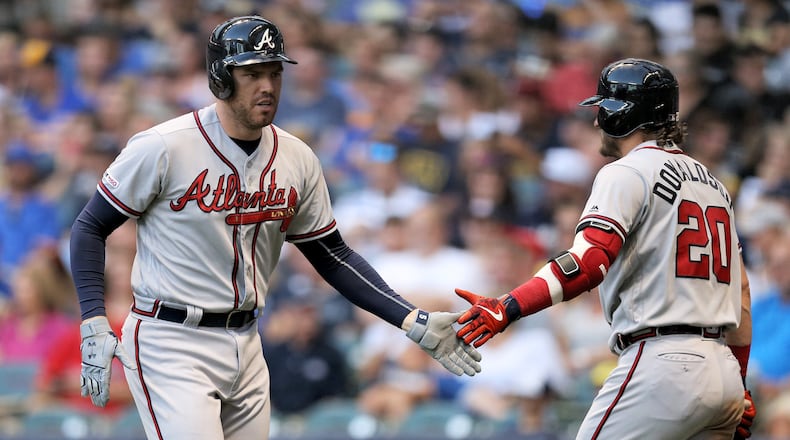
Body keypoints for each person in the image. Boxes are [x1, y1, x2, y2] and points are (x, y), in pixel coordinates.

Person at [68, 15, 480, 440]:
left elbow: (332, 255)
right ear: (221, 78)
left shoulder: (297, 157)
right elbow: (90, 226)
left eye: (274, 72)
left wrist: (411, 319)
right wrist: (94, 319)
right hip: (171, 338)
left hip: (247, 339)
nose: (267, 85)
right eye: (252, 74)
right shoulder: (163, 146)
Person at [453, 58, 756, 439]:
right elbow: (741, 294)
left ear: (623, 114)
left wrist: (508, 306)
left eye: (602, 109)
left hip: (662, 363)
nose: (597, 121)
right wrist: (739, 384)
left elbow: (589, 261)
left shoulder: (626, 171)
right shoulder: (715, 185)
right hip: (722, 373)